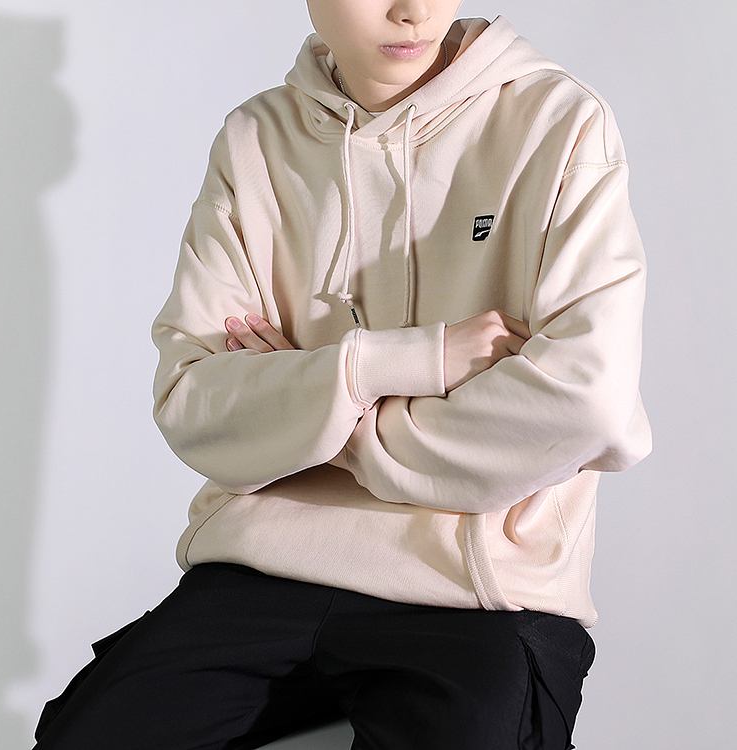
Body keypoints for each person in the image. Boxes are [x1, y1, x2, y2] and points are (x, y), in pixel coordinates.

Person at [33, 1, 651, 748]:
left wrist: (323, 418)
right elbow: (191, 400)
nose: (412, 11)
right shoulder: (257, 139)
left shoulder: (558, 122)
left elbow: (586, 401)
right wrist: (397, 363)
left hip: (479, 591)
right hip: (263, 564)